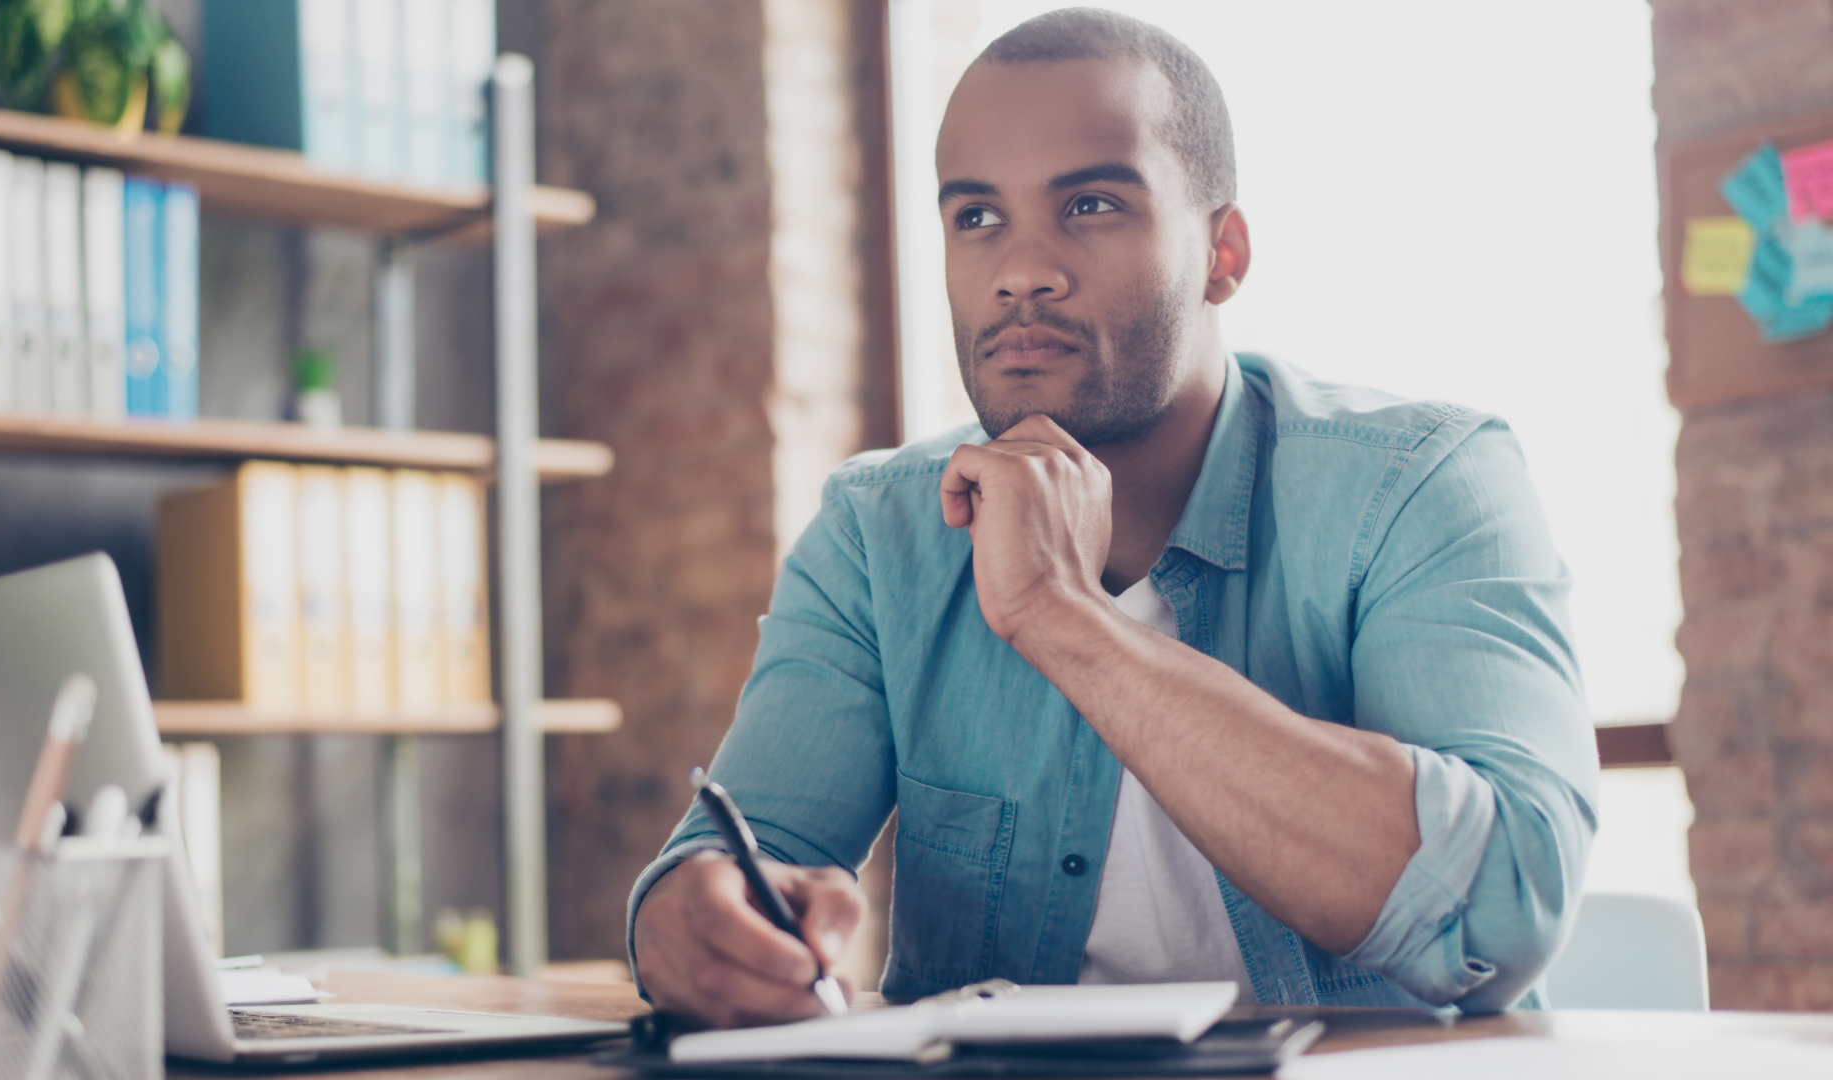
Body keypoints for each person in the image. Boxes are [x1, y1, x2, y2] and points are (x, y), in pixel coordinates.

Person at [627, 8, 1598, 1028]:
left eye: (1089, 204)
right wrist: (685, 926)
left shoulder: (1423, 484)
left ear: (1223, 253)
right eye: (976, 217)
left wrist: (1064, 617)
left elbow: (1503, 910)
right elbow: (737, 856)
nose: (1020, 269)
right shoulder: (880, 533)